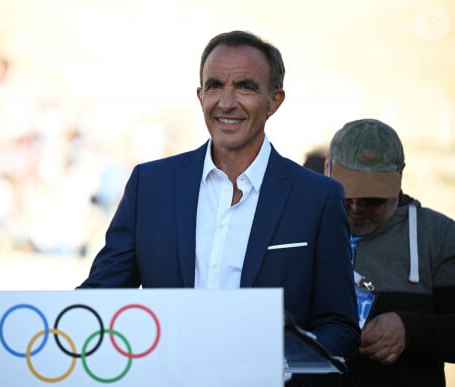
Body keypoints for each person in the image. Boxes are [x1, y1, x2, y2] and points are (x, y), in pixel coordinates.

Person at [78, 30, 360, 365]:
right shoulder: (150, 185)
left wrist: (275, 363)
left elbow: (340, 327)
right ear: (200, 95)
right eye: (214, 85)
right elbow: (100, 298)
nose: (226, 102)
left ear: (274, 101)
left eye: (245, 86)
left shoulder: (318, 197)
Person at [325, 118, 455, 386]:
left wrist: (409, 330)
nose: (356, 207)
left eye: (373, 198)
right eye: (346, 195)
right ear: (328, 168)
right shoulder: (298, 226)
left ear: (400, 174)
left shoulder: (439, 236)